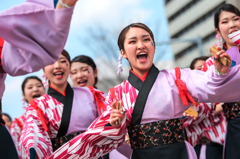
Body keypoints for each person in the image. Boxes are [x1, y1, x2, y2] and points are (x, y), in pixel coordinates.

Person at [48, 22, 240, 159]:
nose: (141, 45)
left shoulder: (176, 77)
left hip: (179, 152)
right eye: (132, 42)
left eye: (146, 39)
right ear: (122, 53)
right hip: (141, 154)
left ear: (153, 47)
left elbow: (207, 85)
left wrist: (219, 72)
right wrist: (116, 124)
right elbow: (107, 134)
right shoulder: (117, 94)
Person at [0, 0, 77, 158]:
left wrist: (62, 7)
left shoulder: (91, 96)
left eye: (63, 62)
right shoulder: (33, 112)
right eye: (30, 87)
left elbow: (39, 48)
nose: (58, 67)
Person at [20, 50, 106, 159]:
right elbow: (33, 137)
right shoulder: (37, 105)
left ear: (69, 67)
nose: (57, 66)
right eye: (51, 62)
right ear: (44, 71)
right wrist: (32, 144)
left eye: (62, 61)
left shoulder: (90, 93)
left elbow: (108, 120)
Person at [70, 55, 132, 159]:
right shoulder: (68, 104)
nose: (79, 75)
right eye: (74, 72)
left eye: (84, 70)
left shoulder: (110, 98)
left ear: (95, 72)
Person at [200, 4, 240, 159]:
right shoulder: (211, 64)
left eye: (236, 19)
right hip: (236, 127)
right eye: (225, 22)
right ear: (218, 30)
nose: (232, 25)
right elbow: (204, 100)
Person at [183, 56, 226, 159]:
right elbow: (193, 114)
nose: (204, 70)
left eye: (207, 67)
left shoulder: (221, 87)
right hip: (208, 142)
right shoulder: (193, 94)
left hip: (227, 138)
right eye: (199, 68)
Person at [10, 76, 46, 157]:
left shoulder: (54, 115)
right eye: (30, 87)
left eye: (39, 86)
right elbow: (15, 151)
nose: (35, 89)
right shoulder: (18, 124)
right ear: (24, 95)